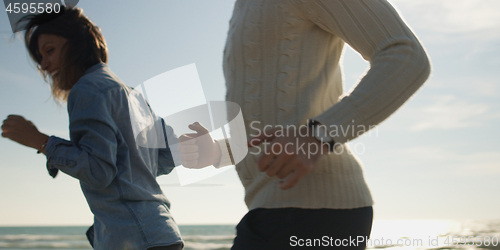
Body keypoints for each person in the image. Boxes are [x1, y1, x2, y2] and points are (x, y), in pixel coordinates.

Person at [179, 0, 431, 249]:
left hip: (320, 212)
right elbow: (268, 124)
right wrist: (218, 152)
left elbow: (406, 55)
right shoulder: (242, 7)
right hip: (268, 211)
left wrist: (317, 135)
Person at [1, 6, 183, 250]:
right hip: (162, 233)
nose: (44, 65)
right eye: (40, 58)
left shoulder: (86, 89)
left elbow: (98, 171)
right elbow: (168, 156)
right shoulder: (131, 94)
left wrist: (40, 141)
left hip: (132, 238)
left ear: (78, 44)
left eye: (50, 51)